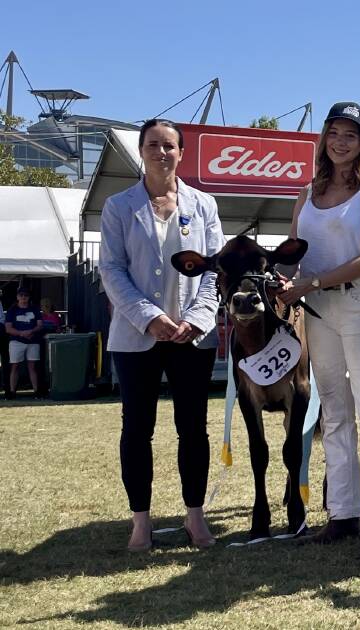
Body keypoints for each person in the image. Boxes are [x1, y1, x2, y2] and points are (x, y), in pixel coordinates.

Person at [278, 102, 360, 557]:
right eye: (334, 132)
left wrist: (310, 282)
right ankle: (344, 513)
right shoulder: (306, 192)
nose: (341, 141)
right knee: (332, 409)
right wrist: (282, 277)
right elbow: (294, 252)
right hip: (318, 309)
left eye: (351, 134)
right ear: (324, 138)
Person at [98, 119, 224, 551]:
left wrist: (198, 318)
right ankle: (140, 521)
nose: (161, 152)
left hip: (192, 337)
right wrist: (148, 316)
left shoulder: (204, 205)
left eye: (169, 145)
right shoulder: (118, 206)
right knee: (137, 429)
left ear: (181, 153)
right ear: (141, 151)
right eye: (153, 145)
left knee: (193, 428)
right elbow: (111, 269)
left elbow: (214, 270)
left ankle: (194, 516)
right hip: (135, 338)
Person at [5, 288, 42, 399]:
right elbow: (8, 328)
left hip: (33, 341)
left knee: (32, 367)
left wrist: (32, 331)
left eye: (26, 295)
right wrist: (21, 333)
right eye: (21, 295)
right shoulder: (12, 310)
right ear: (17, 297)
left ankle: (36, 392)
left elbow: (40, 325)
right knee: (15, 366)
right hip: (16, 342)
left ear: (29, 297)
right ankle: (12, 392)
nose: (23, 297)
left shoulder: (35, 309)